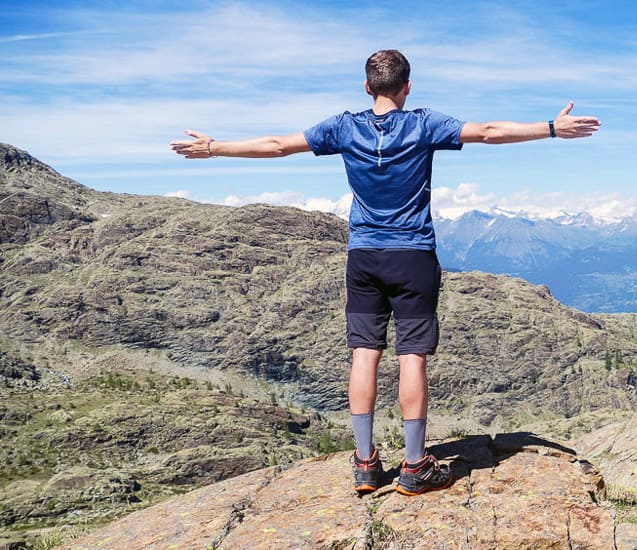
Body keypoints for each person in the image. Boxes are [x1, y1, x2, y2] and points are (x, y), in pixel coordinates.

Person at [171, 49, 601, 496]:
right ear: (408, 86)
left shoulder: (342, 127)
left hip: (364, 256)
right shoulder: (423, 124)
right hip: (412, 255)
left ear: (366, 86)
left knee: (364, 353)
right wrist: (552, 128)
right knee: (411, 356)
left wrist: (213, 147)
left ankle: (365, 465)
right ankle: (415, 465)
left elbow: (278, 145)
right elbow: (489, 133)